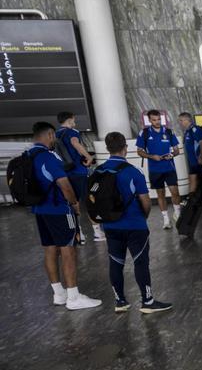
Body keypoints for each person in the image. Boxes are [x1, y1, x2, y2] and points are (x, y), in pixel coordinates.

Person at [24, 121, 101, 310]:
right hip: (59, 209)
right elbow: (64, 184)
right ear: (50, 134)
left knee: (50, 249)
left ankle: (59, 294)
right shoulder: (48, 157)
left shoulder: (28, 155)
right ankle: (74, 297)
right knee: (68, 249)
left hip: (40, 210)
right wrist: (74, 204)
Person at [94, 132, 172, 314]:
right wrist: (143, 217)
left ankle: (120, 301)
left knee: (115, 262)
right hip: (134, 224)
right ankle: (147, 301)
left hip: (111, 225)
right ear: (125, 148)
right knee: (140, 262)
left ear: (107, 149)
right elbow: (145, 200)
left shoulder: (98, 171)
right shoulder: (132, 171)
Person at [56, 111, 101, 243]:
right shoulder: (72, 132)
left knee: (73, 202)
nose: (74, 121)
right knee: (88, 201)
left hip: (65, 174)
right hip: (79, 172)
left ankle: (79, 234)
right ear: (69, 120)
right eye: (73, 119)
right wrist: (89, 157)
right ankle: (97, 233)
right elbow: (76, 144)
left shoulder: (56, 134)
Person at [135, 110, 181, 230]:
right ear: (149, 120)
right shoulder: (144, 133)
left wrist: (171, 155)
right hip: (155, 170)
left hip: (169, 168)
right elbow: (139, 151)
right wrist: (152, 156)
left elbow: (177, 150)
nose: (157, 122)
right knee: (161, 194)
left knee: (175, 192)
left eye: (158, 119)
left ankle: (178, 214)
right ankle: (166, 219)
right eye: (154, 120)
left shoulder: (169, 132)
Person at [178, 112, 202, 200]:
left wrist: (201, 157)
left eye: (181, 120)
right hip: (192, 162)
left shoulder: (194, 129)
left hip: (198, 161)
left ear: (187, 120)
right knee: (192, 180)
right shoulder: (187, 131)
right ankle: (191, 199)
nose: (180, 122)